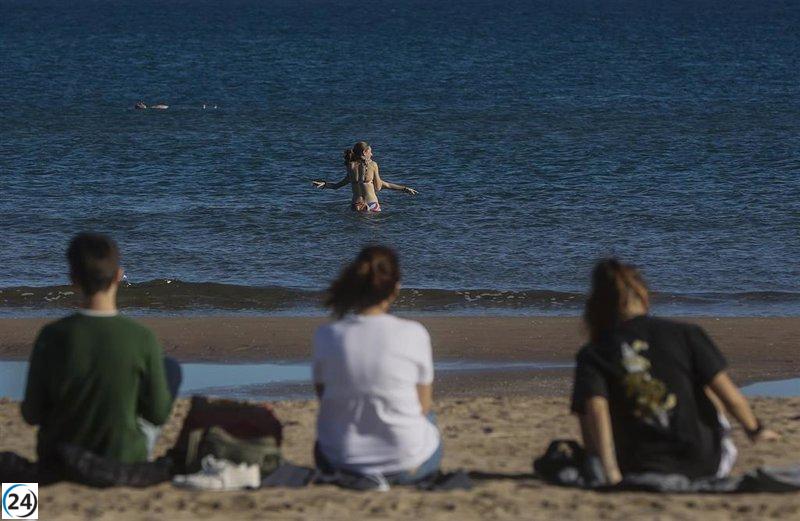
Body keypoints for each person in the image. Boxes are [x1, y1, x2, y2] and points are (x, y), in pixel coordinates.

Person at [571, 259, 779, 484]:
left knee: (590, 398)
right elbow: (730, 397)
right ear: (644, 296)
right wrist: (755, 430)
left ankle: (600, 459)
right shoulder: (686, 333)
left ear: (597, 305)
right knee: (704, 386)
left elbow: (596, 411)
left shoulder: (593, 352)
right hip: (703, 463)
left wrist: (610, 472)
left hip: (633, 466)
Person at [21, 233, 181, 467]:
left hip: (58, 457)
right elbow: (158, 414)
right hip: (123, 457)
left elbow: (31, 414)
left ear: (73, 278)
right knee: (171, 369)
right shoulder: (142, 338)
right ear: (118, 275)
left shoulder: (52, 336)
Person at [312, 246, 441, 485]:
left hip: (340, 459)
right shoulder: (414, 333)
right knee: (429, 417)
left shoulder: (327, 335)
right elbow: (423, 406)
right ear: (395, 288)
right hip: (405, 463)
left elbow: (325, 398)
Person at [312, 142, 418, 212]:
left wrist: (324, 184)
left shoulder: (351, 165)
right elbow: (379, 187)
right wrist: (404, 189)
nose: (372, 154)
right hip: (372, 204)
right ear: (364, 152)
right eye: (370, 152)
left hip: (356, 205)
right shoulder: (373, 165)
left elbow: (337, 186)